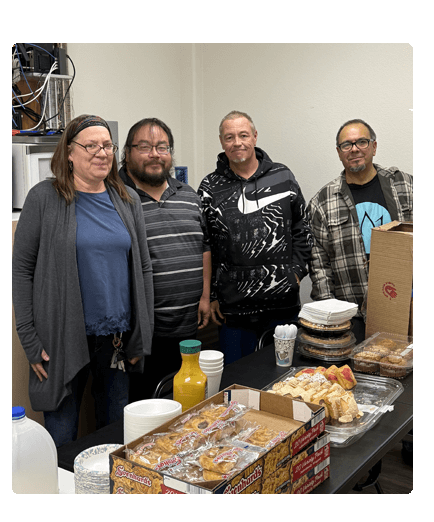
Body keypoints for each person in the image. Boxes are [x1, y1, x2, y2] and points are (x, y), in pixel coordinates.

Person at [12, 114, 154, 447]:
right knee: (61, 436)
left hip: (117, 339)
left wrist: (142, 334)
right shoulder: (44, 198)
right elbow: (21, 270)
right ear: (69, 153)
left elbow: (144, 268)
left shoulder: (127, 199)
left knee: (115, 436)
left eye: (107, 145)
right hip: (60, 339)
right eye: (91, 146)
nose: (101, 153)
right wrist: (29, 340)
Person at [198, 110, 312, 364]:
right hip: (233, 312)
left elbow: (303, 228)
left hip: (282, 308)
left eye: (243, 135)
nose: (237, 142)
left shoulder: (283, 176)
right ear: (221, 141)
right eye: (229, 137)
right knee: (238, 381)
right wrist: (212, 295)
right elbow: (206, 245)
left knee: (284, 378)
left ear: (255, 137)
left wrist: (294, 274)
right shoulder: (209, 187)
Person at [119, 118, 211, 400]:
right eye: (144, 147)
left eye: (162, 147)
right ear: (127, 153)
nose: (155, 154)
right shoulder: (116, 198)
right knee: (145, 408)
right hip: (142, 335)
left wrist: (205, 296)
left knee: (186, 404)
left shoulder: (189, 195)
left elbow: (204, 246)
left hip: (189, 328)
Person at [307, 118, 413, 342]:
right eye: (347, 144)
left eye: (362, 142)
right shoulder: (323, 202)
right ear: (339, 152)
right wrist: (331, 318)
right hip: (350, 315)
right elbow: (319, 266)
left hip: (405, 308)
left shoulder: (404, 185)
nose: (354, 149)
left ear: (374, 146)